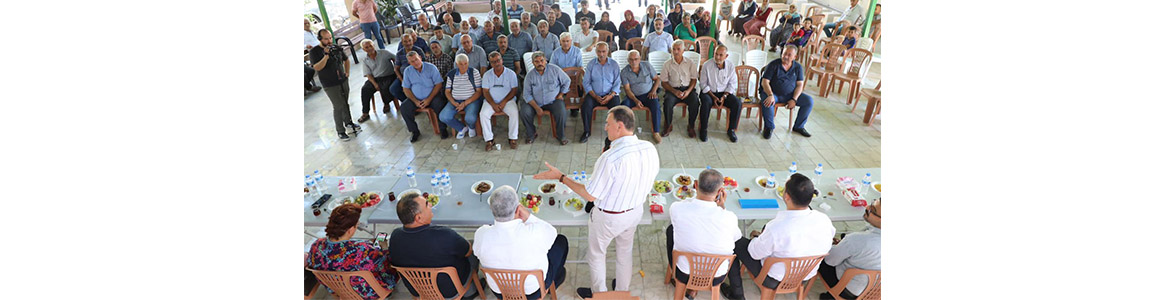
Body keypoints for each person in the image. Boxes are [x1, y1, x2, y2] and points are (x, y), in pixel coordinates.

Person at [532, 106, 660, 297]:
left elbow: (590, 195)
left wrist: (561, 177)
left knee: (597, 255)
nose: (605, 128)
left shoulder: (609, 158)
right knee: (625, 252)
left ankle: (599, 294)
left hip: (609, 218)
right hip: (634, 212)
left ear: (619, 126)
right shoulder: (649, 147)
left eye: (608, 125)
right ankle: (621, 291)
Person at [721, 173, 835, 300]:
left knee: (736, 242)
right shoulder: (824, 220)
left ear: (786, 196)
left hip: (774, 279)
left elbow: (754, 254)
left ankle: (737, 294)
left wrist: (756, 239)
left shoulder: (778, 227)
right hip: (804, 277)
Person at [474, 186, 570, 299]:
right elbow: (552, 232)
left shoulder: (481, 234)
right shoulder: (534, 233)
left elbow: (477, 252)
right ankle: (556, 278)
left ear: (492, 209)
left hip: (500, 291)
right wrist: (528, 217)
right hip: (534, 291)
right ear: (518, 209)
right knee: (561, 241)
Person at [389, 191, 481, 299]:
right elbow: (468, 251)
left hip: (418, 290)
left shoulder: (395, 236)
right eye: (427, 204)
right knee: (475, 248)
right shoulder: (444, 235)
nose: (431, 205)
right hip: (450, 290)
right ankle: (470, 292)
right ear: (418, 218)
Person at [665, 169, 740, 299]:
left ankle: (689, 287)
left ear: (695, 185)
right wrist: (722, 207)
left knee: (671, 230)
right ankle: (693, 290)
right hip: (716, 276)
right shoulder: (729, 217)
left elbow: (683, 210)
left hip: (684, 273)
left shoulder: (677, 209)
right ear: (720, 191)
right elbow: (736, 237)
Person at [305, 203, 399, 299]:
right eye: (356, 225)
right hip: (369, 293)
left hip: (340, 291)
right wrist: (385, 249)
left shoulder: (316, 246)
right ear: (350, 230)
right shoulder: (363, 250)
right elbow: (386, 269)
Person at [818, 199, 880, 300]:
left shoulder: (857, 239)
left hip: (848, 290)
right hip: (876, 292)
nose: (867, 208)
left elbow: (830, 261)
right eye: (871, 204)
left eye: (872, 210)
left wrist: (832, 246)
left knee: (819, 256)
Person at [309, 30, 361, 141]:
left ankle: (349, 123)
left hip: (342, 80)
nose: (329, 41)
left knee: (345, 103)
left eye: (330, 38)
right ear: (320, 39)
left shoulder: (335, 47)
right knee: (338, 106)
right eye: (326, 39)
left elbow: (346, 60)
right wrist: (326, 56)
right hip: (329, 84)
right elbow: (317, 68)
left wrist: (347, 72)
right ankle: (340, 131)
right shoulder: (314, 51)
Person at [759, 45, 814, 138]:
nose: (786, 56)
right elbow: (765, 82)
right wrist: (770, 94)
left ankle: (799, 126)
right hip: (773, 93)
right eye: (784, 54)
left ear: (795, 57)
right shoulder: (773, 65)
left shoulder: (798, 67)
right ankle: (769, 127)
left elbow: (800, 85)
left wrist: (794, 99)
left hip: (790, 94)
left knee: (809, 101)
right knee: (767, 102)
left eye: (789, 55)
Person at [519, 52, 571, 145]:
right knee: (524, 112)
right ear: (533, 63)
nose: (540, 63)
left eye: (542, 60)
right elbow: (526, 95)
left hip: (553, 101)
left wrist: (561, 94)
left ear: (546, 61)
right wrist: (537, 108)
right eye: (536, 61)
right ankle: (531, 133)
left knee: (561, 112)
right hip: (535, 102)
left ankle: (561, 135)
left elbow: (567, 81)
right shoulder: (529, 76)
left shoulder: (555, 70)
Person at [399, 51, 447, 143]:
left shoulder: (431, 68)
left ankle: (442, 128)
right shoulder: (408, 71)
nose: (415, 63)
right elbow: (406, 88)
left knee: (439, 104)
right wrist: (415, 101)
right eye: (412, 61)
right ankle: (414, 131)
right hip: (416, 98)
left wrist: (428, 100)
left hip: (432, 96)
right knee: (404, 108)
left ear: (420, 58)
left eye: (416, 59)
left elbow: (438, 84)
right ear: (409, 63)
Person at [698, 45, 742, 142]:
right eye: (716, 54)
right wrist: (713, 97)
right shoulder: (706, 65)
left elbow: (733, 84)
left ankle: (731, 129)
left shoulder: (730, 66)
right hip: (709, 92)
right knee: (705, 103)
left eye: (721, 55)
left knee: (737, 103)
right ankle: (703, 129)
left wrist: (724, 96)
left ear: (726, 56)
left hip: (724, 93)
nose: (717, 57)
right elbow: (703, 84)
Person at [479, 52, 522, 150]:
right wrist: (493, 104)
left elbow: (514, 90)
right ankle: (489, 140)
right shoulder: (487, 75)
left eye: (498, 60)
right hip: (490, 101)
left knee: (514, 112)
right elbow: (485, 91)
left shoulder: (511, 73)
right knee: (483, 114)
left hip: (508, 100)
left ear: (502, 60)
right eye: (493, 62)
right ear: (490, 63)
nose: (497, 63)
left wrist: (504, 102)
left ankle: (513, 138)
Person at [580, 42, 620, 143]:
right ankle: (586, 131)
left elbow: (617, 83)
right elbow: (586, 82)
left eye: (604, 51)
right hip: (594, 94)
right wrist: (595, 96)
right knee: (585, 106)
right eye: (599, 51)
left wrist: (610, 96)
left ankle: (615, 133)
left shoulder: (614, 65)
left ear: (608, 51)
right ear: (596, 52)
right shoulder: (591, 64)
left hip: (610, 95)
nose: (601, 54)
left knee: (617, 109)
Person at [619, 50, 662, 143]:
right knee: (624, 107)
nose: (633, 62)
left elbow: (657, 79)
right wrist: (635, 100)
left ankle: (656, 131)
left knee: (655, 105)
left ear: (640, 59)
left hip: (648, 94)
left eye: (636, 59)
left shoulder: (647, 65)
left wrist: (653, 91)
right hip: (633, 96)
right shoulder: (624, 72)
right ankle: (625, 132)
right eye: (631, 59)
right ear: (628, 60)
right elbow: (627, 89)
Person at [659, 40, 700, 139]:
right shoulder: (667, 64)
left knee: (695, 102)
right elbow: (663, 82)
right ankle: (668, 125)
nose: (676, 52)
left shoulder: (690, 63)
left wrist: (688, 91)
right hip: (673, 90)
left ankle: (691, 126)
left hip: (687, 89)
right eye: (674, 49)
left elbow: (694, 79)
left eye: (678, 49)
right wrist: (674, 91)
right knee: (668, 102)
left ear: (683, 50)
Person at [441, 53, 484, 140]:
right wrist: (454, 102)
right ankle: (461, 128)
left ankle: (471, 127)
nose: (464, 66)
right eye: (461, 64)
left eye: (465, 63)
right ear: (457, 64)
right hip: (455, 101)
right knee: (443, 116)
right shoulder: (451, 74)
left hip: (471, 100)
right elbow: (447, 91)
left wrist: (464, 103)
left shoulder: (474, 72)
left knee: (470, 118)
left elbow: (479, 92)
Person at [357, 40, 396, 123]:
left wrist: (396, 69)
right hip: (375, 78)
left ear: (374, 45)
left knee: (384, 86)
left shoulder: (384, 53)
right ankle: (365, 112)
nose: (369, 48)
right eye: (366, 47)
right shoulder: (365, 60)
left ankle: (386, 103)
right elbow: (368, 74)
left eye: (370, 46)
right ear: (364, 49)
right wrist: (375, 84)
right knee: (365, 89)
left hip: (388, 75)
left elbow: (396, 58)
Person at [304, 19, 322, 93]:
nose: (307, 25)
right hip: (313, 52)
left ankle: (305, 85)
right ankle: (308, 86)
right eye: (305, 24)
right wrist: (306, 46)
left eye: (308, 23)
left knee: (310, 71)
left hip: (319, 48)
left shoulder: (311, 32)